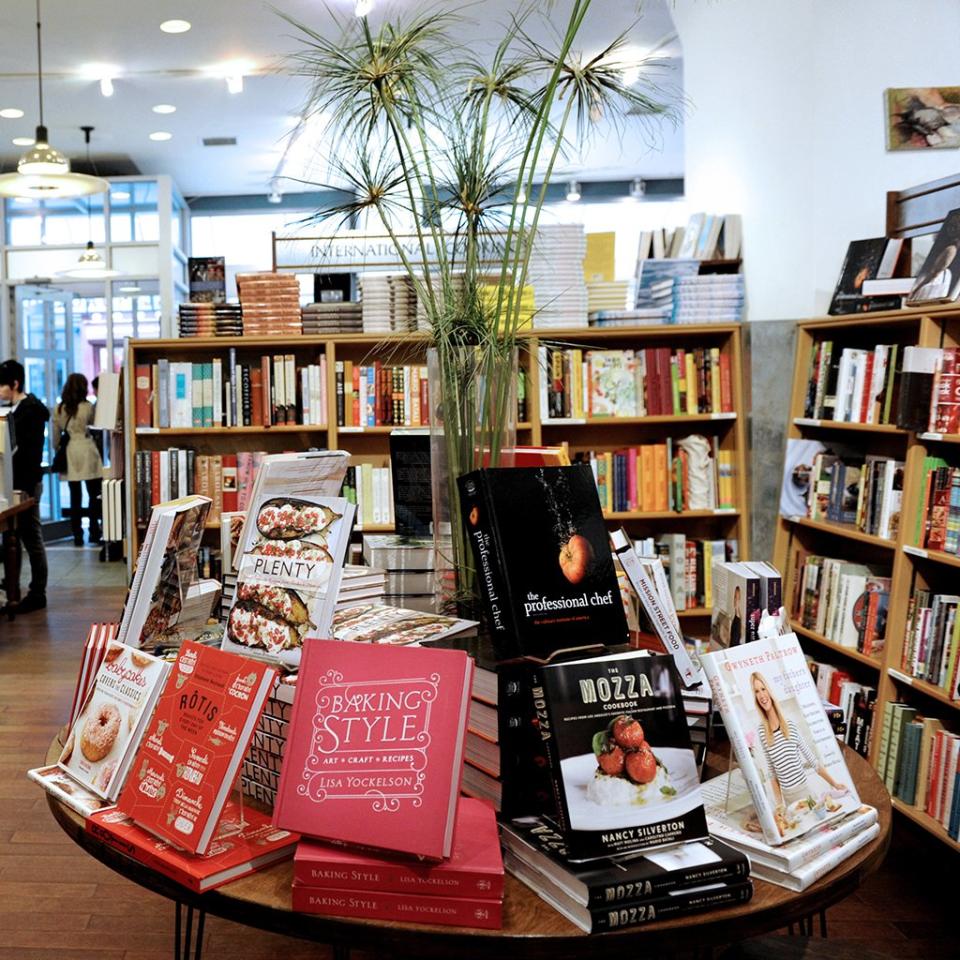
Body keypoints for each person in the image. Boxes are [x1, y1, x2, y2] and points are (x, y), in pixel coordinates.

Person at [750, 671, 848, 834]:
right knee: (798, 834)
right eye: (757, 691)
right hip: (788, 800)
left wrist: (835, 784)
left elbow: (814, 763)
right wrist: (780, 804)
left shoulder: (790, 725)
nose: (761, 695)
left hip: (805, 793)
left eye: (763, 689)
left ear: (769, 691)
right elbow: (773, 774)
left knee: (818, 830)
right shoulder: (762, 732)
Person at [0, 359, 49, 612]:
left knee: (31, 536)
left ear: (14, 383)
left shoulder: (30, 411)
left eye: (1, 385)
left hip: (26, 484)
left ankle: (37, 592)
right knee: (12, 537)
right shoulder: (14, 409)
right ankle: (12, 591)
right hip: (13, 484)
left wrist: (28, 488)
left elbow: (27, 453)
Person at [53, 373, 103, 546]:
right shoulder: (88, 407)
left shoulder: (59, 408)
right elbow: (97, 427)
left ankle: (77, 535)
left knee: (75, 497)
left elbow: (55, 437)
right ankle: (95, 531)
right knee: (93, 494)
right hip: (88, 449)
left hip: (70, 452)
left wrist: (57, 448)